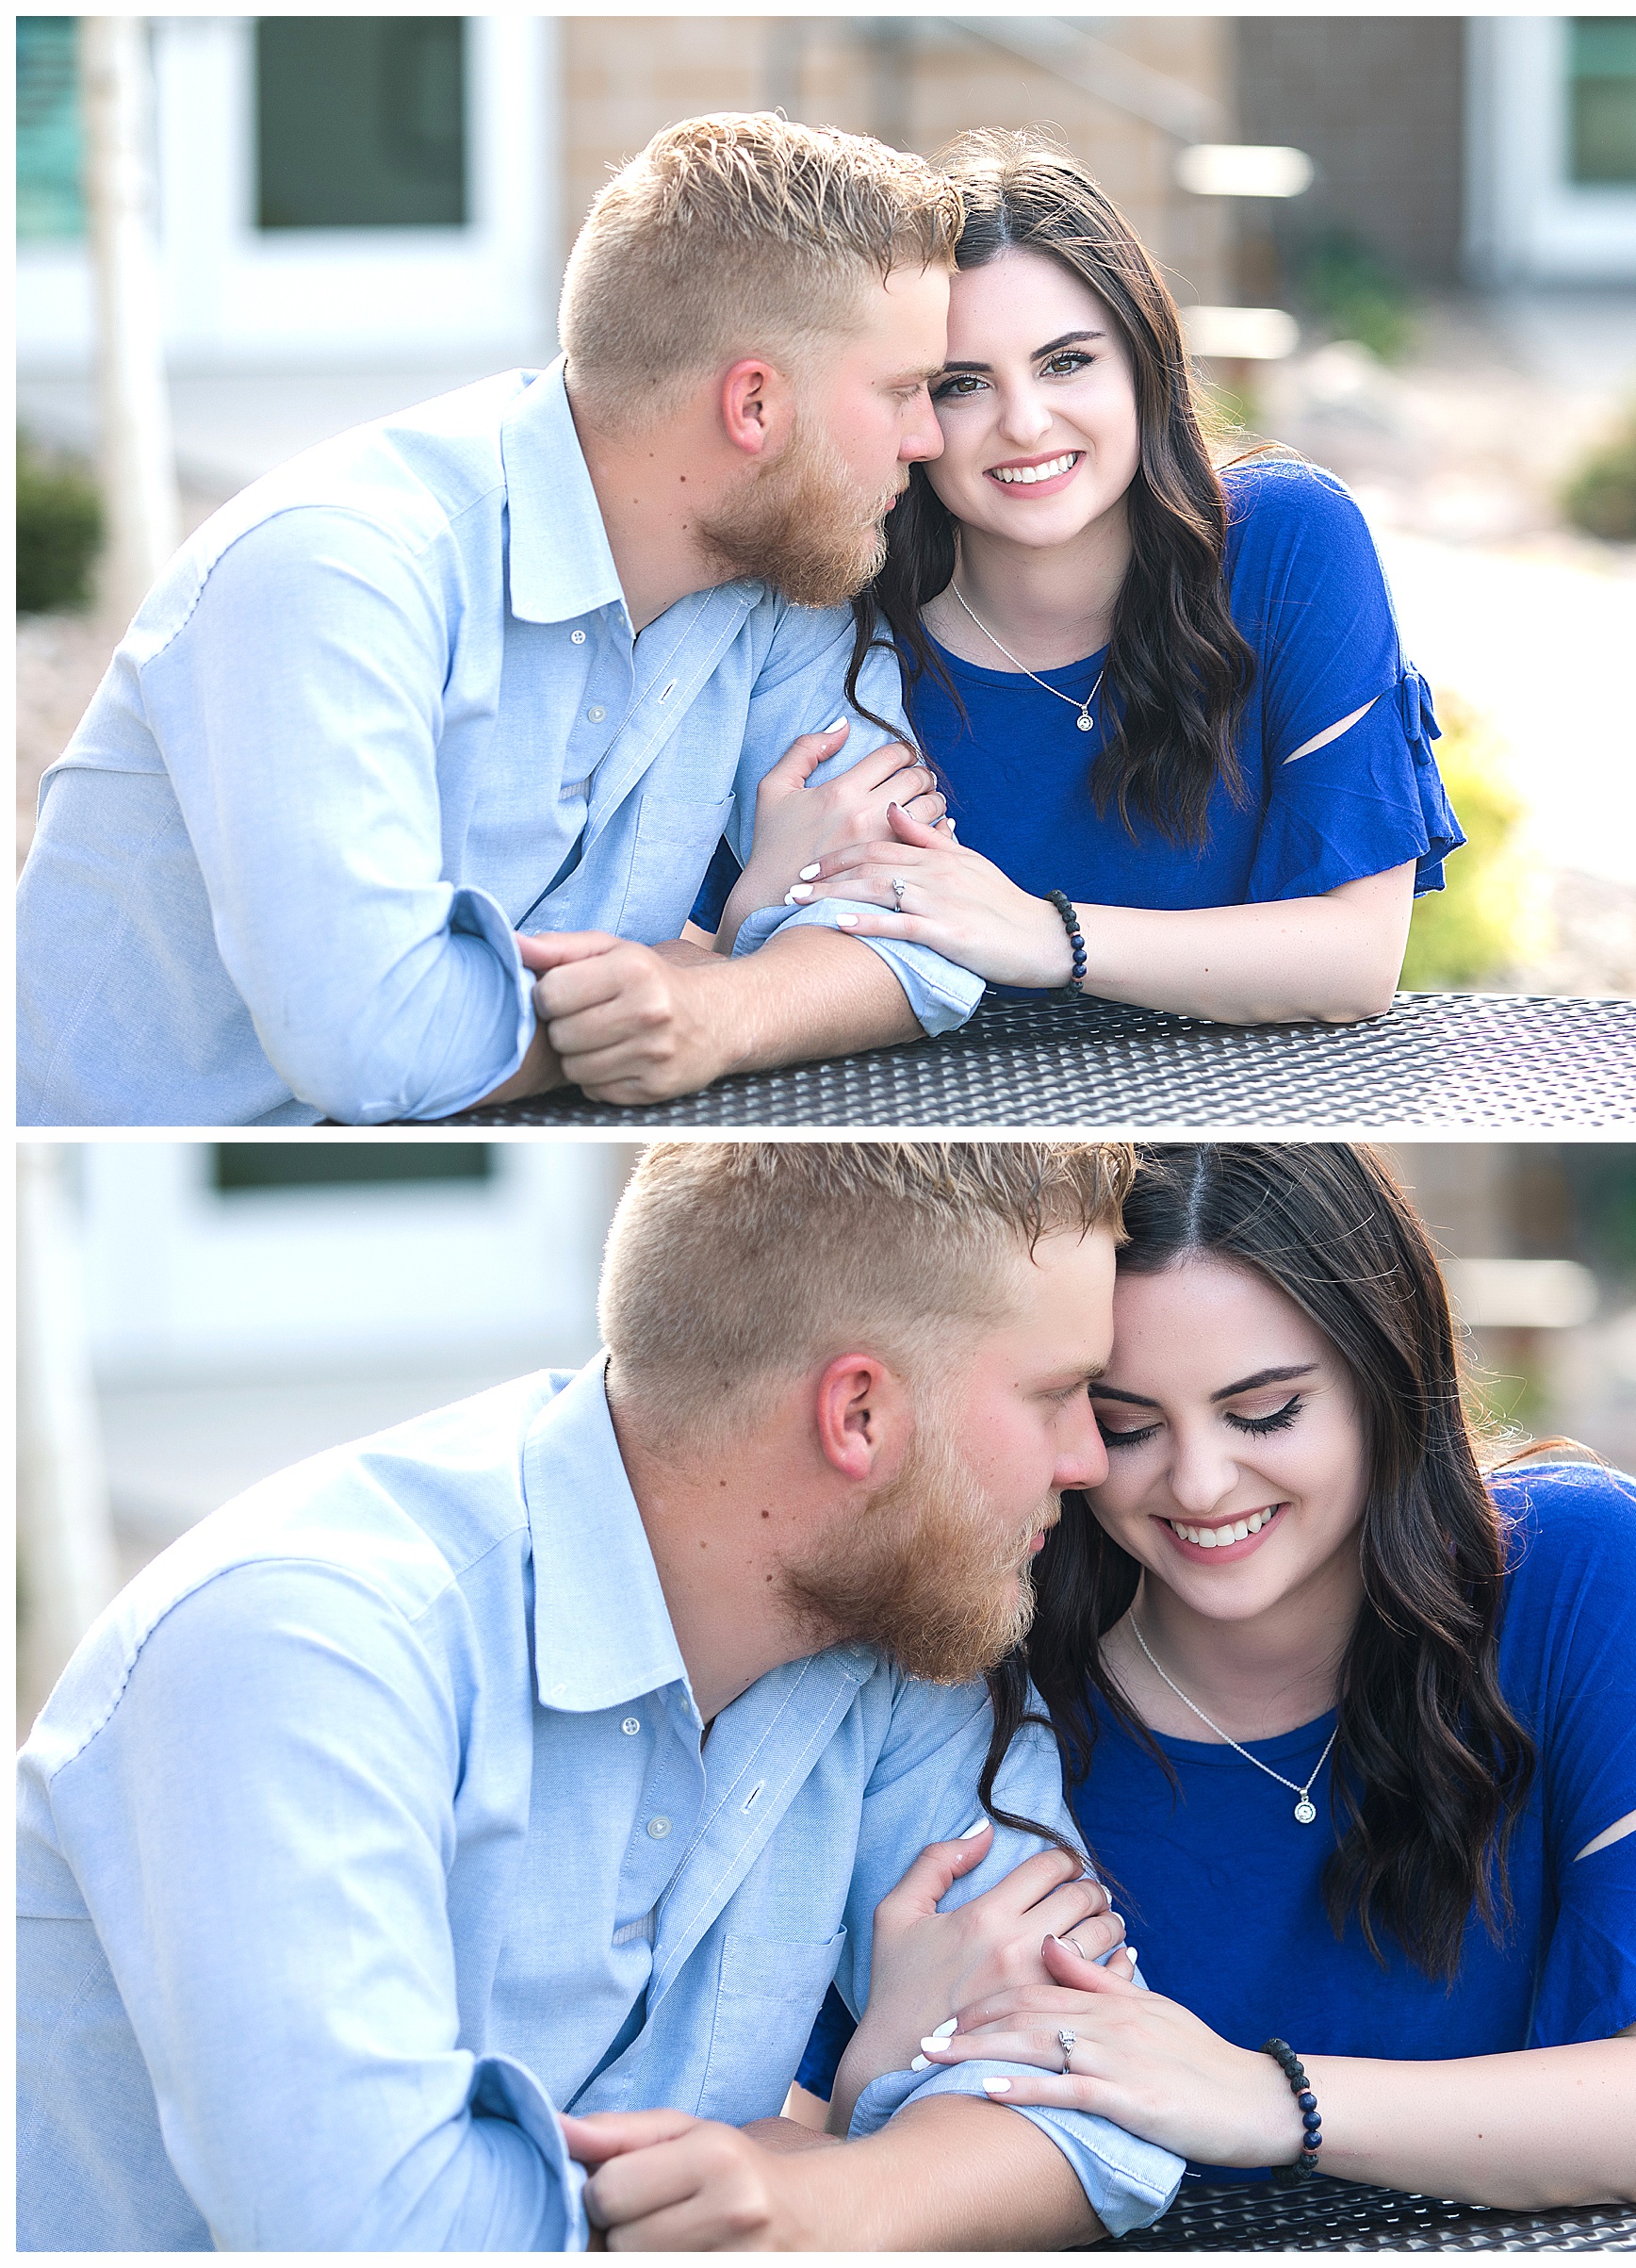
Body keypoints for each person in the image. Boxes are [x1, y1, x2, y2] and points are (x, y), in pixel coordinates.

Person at [18, 1140, 1204, 2251]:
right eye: (1057, 1394)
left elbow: (1107, 2101)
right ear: (858, 1415)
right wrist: (845, 2145)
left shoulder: (901, 1613)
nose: (1089, 1462)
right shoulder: (307, 1644)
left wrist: (822, 2187)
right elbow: (370, 2231)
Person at [17, 115, 990, 1128]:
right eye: (905, 391)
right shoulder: (338, 567)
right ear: (753, 406)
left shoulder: (783, 562)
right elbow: (369, 1039)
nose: (929, 438)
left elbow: (924, 931)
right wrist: (690, 971)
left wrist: (721, 999)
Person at [795, 1144, 1636, 2209]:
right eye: (1127, 1425)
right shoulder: (965, 1672)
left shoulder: (1580, 1571)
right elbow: (796, 2172)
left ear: (1384, 1375)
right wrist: (879, 2081)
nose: (1202, 1484)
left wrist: (1267, 2099)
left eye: (1264, 1412)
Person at [701, 135, 1463, 1025]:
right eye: (961, 384)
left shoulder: (1286, 544)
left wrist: (1045, 935)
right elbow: (674, 966)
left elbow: (1356, 958)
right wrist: (753, 912)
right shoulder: (828, 606)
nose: (1025, 423)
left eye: (1067, 362)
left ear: (1144, 362)